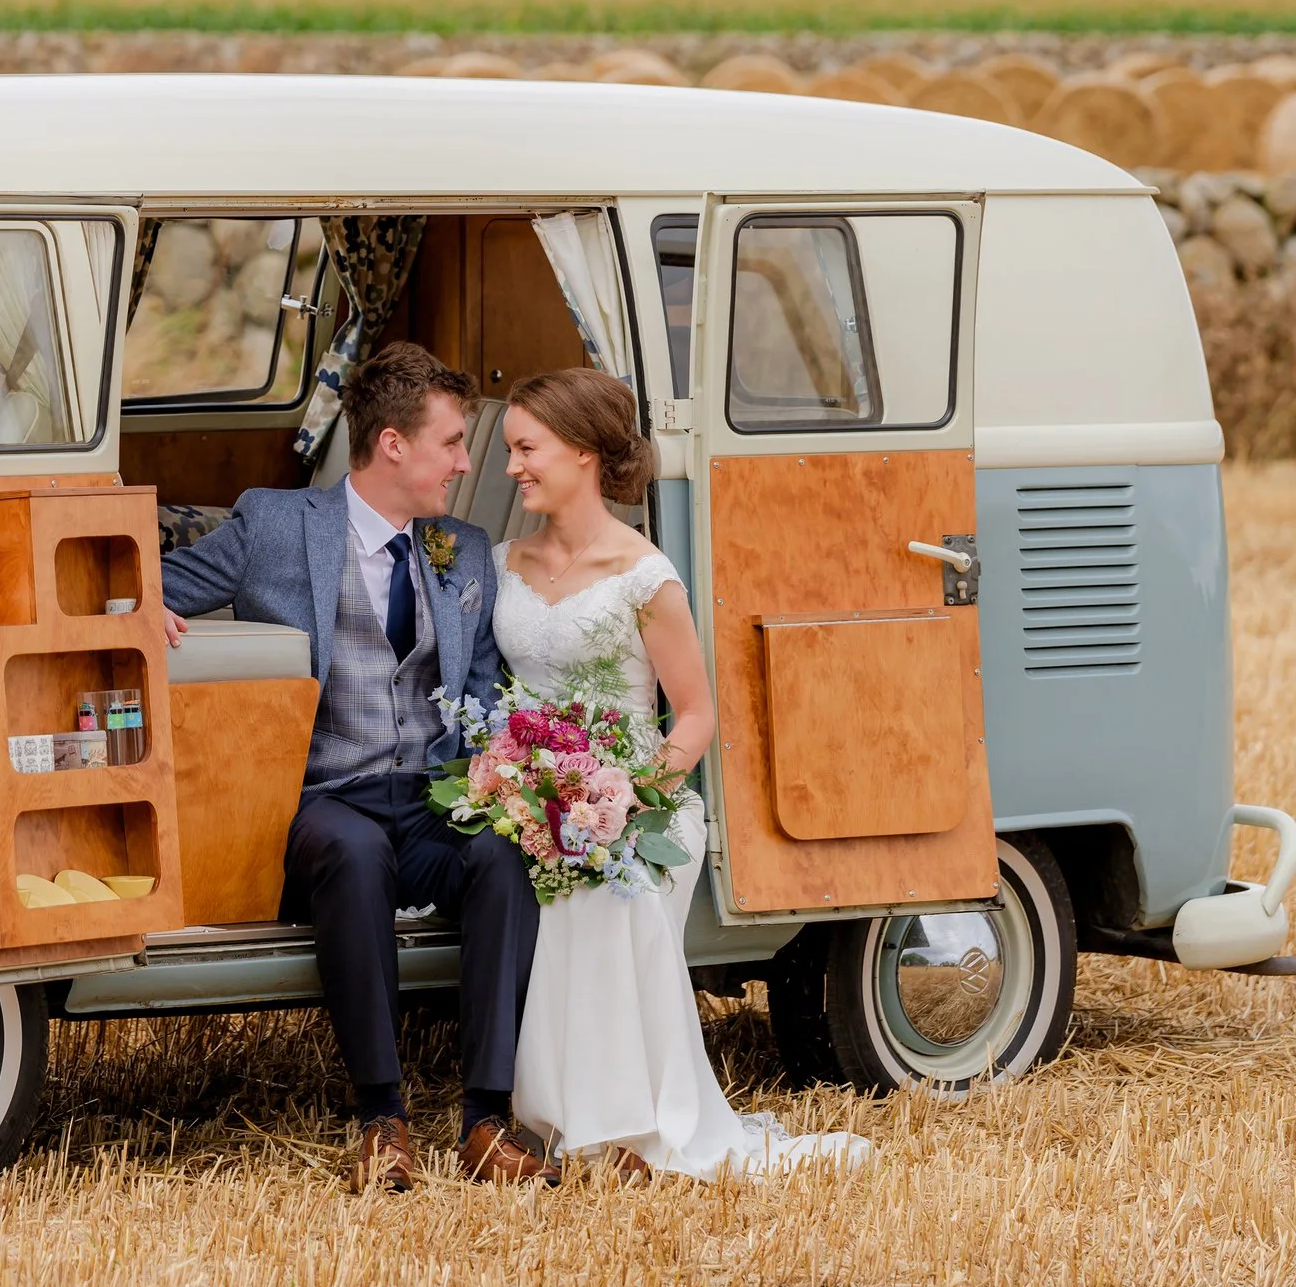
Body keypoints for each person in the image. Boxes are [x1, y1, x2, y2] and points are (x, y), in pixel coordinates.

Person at [159, 342, 550, 1193]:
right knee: (352, 851)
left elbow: (479, 692)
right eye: (451, 441)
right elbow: (144, 584)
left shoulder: (461, 549)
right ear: (392, 445)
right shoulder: (275, 525)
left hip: (432, 796)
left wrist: (502, 784)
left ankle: (485, 1117)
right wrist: (144, 607)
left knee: (503, 852)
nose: (464, 461)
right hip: (326, 796)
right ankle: (383, 1116)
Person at [494, 367, 872, 1181]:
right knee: (537, 876)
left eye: (527, 448)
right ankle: (563, 1122)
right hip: (533, 797)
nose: (513, 467)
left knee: (604, 888)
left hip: (642, 801)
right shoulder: (504, 560)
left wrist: (623, 800)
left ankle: (628, 1130)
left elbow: (695, 715)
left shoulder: (645, 575)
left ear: (586, 452)